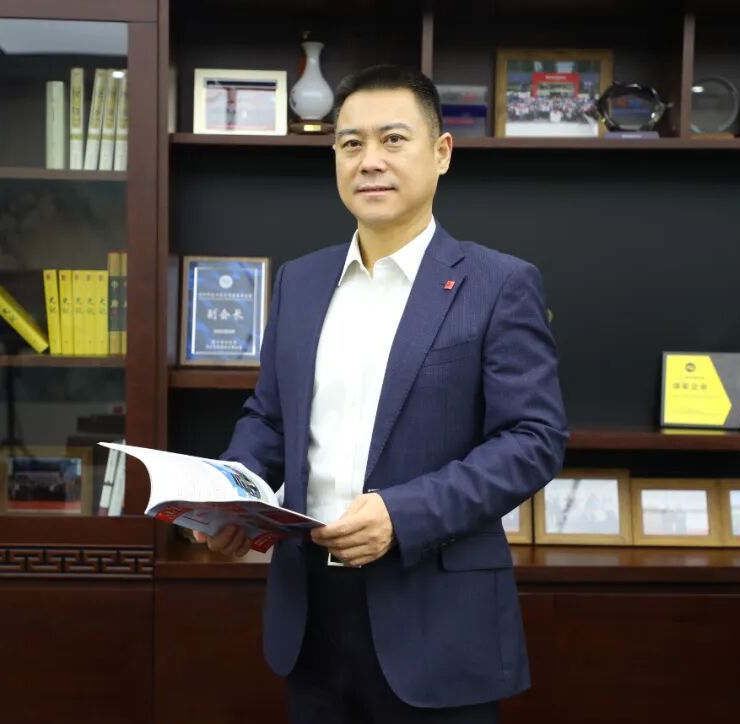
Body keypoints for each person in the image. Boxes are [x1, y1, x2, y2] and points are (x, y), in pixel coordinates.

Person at [192, 64, 568, 723]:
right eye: (351, 143)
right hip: (310, 614)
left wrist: (403, 514)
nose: (369, 161)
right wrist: (232, 494)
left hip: (436, 617)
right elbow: (270, 419)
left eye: (393, 139)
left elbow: (533, 440)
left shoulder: (498, 284)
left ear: (441, 152)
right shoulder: (301, 282)